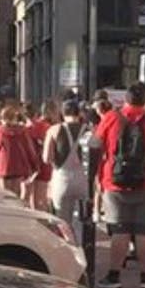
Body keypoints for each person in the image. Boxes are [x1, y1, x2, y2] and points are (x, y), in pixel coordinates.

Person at [94, 82, 145, 288]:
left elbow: (95, 145)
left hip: (115, 183)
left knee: (119, 231)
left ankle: (114, 275)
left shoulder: (112, 118)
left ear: (125, 99)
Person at [43, 100, 89, 241]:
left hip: (61, 178)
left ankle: (67, 250)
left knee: (62, 222)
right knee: (83, 219)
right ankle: (82, 247)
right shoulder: (88, 129)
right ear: (78, 113)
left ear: (62, 113)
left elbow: (46, 158)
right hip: (83, 179)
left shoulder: (54, 130)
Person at [0, 105, 40, 197]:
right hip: (19, 166)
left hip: (4, 166)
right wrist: (35, 165)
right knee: (15, 196)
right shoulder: (22, 131)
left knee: (4, 196)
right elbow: (29, 149)